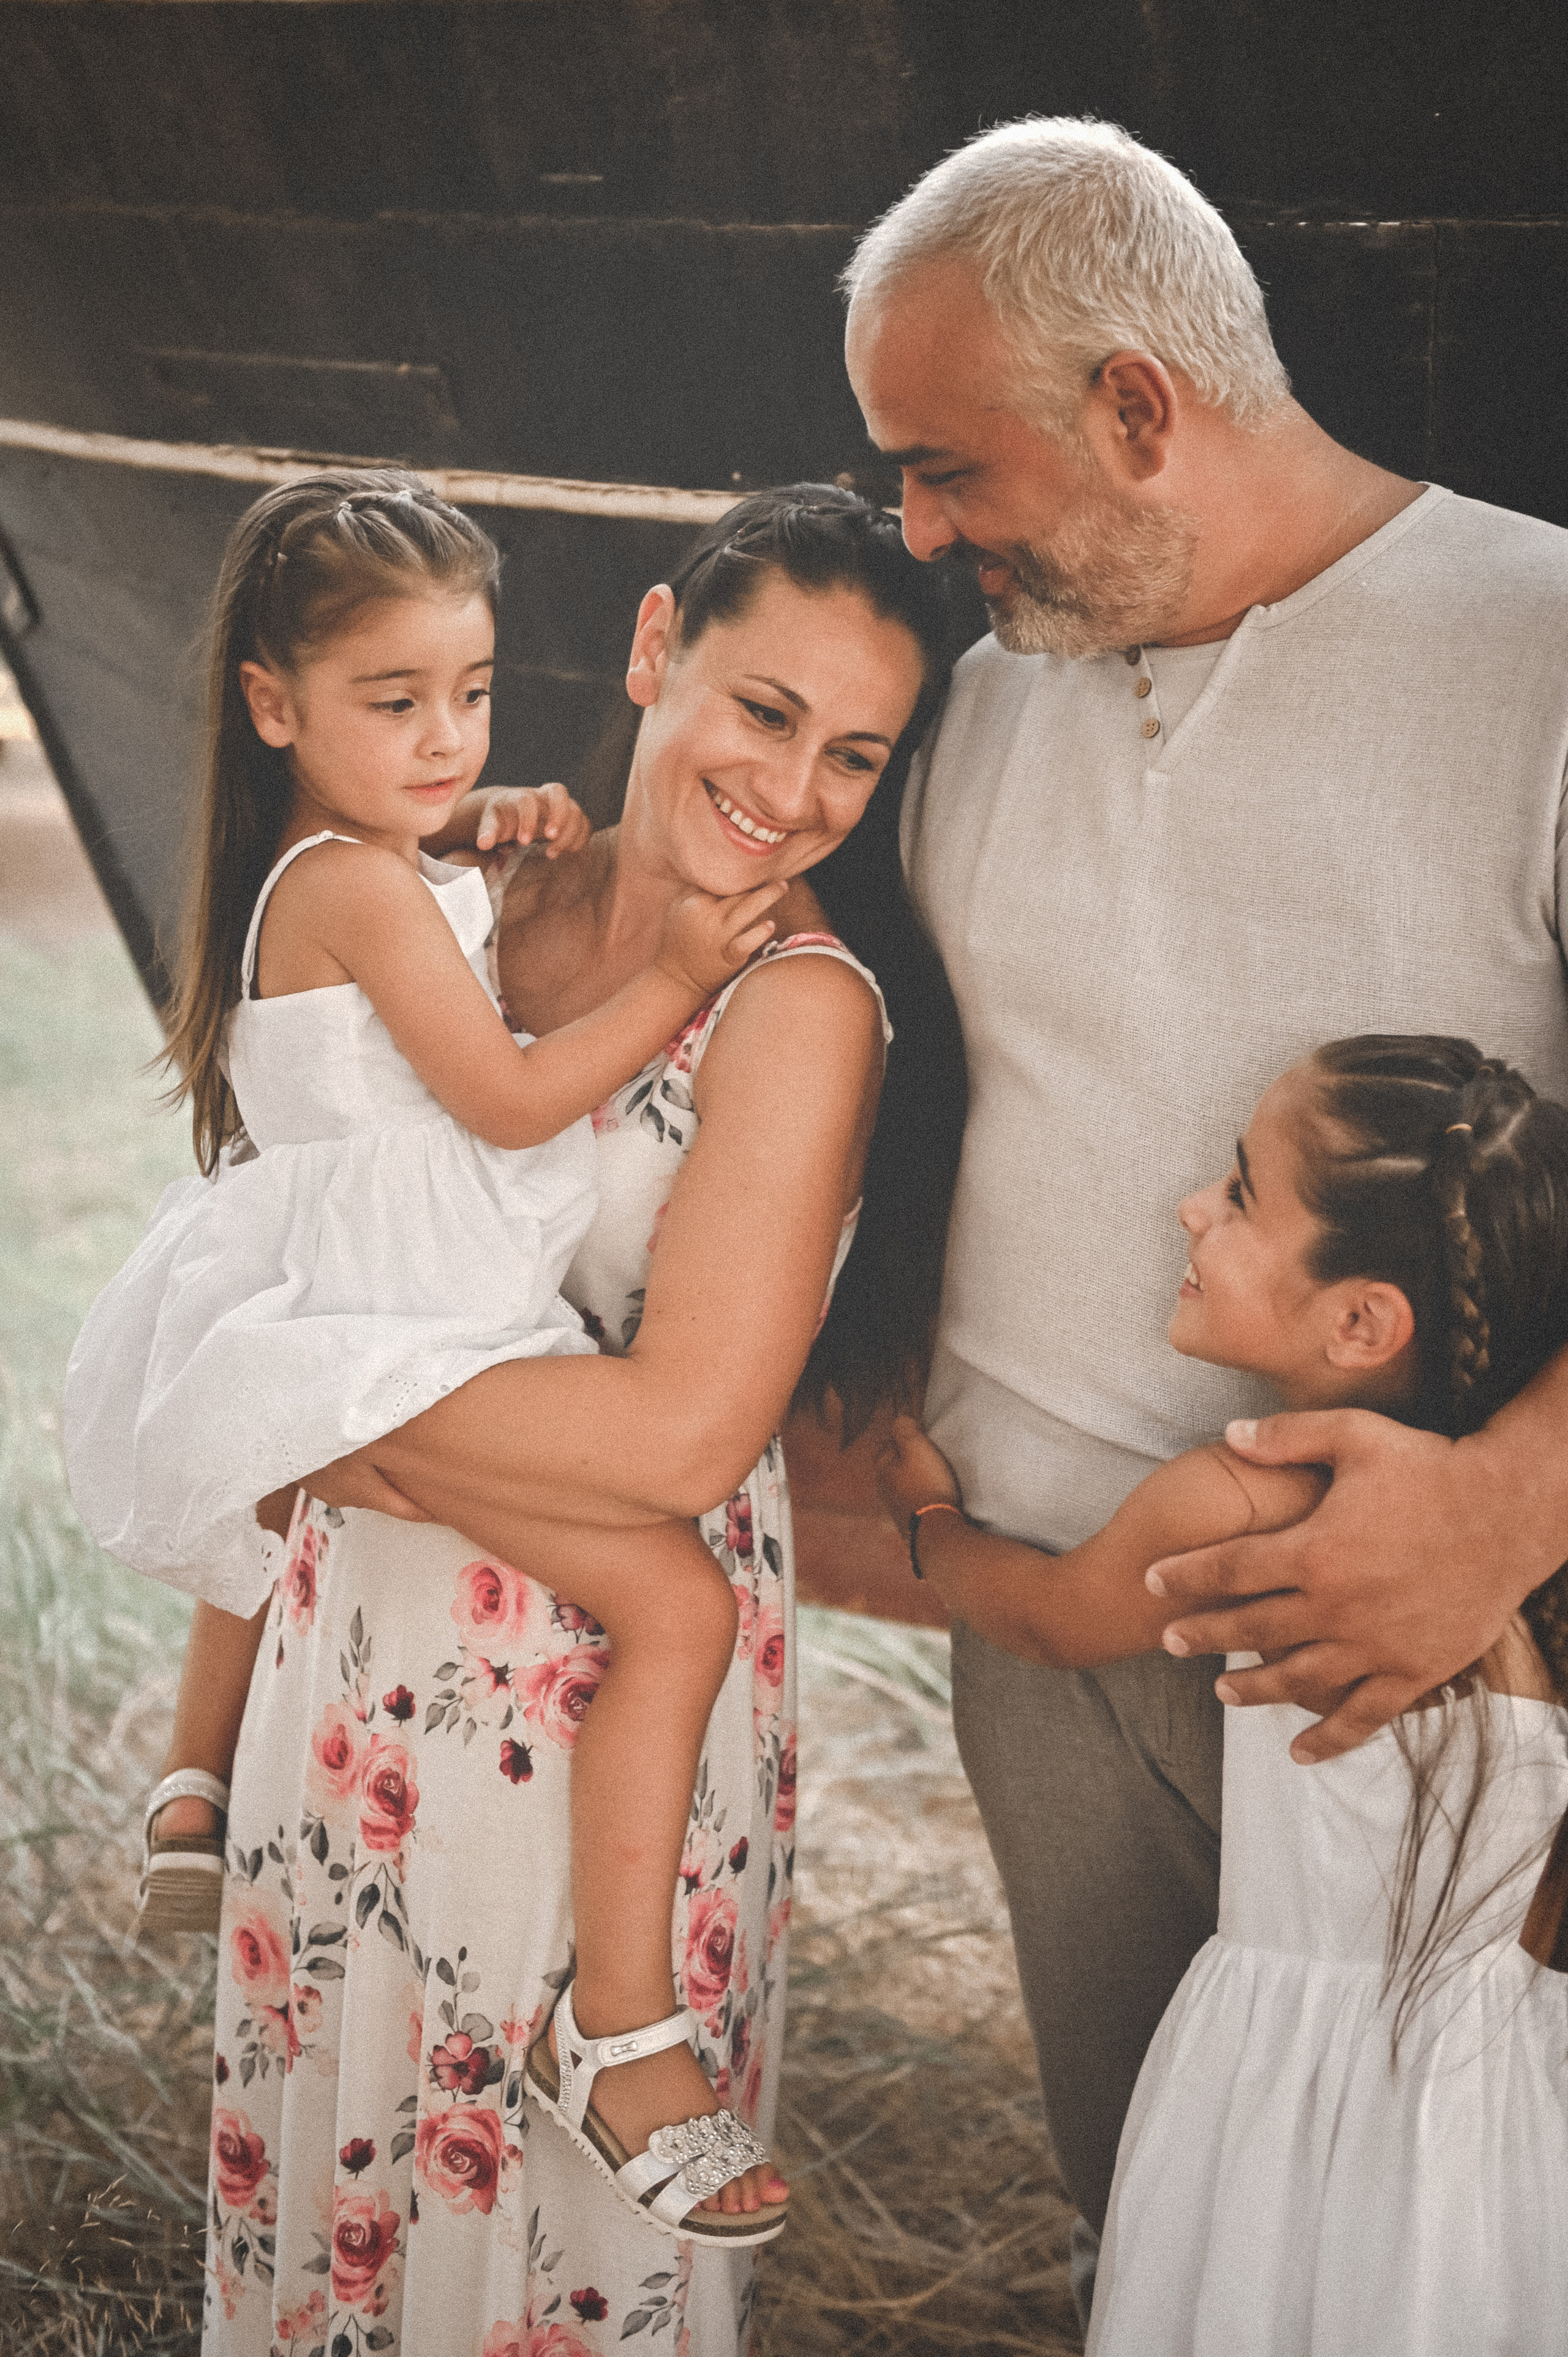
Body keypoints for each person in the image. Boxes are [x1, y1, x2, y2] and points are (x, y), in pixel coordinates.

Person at [840, 114, 1568, 2313]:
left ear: (1141, 410)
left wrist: (1508, 1509)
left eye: (950, 467)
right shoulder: (969, 702)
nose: (915, 525)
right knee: (1166, 2231)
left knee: (1455, 2253)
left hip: (1435, 1667)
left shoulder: (1545, 648)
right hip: (1059, 1669)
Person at [194, 484, 956, 2352]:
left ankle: (617, 2047)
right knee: (348, 2177)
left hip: (597, 1695)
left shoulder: (796, 1006)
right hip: (360, 1654)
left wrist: (322, 1415)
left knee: (532, 2269)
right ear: (646, 651)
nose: (794, 789)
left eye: (855, 753)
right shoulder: (462, 889)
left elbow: (686, 1443)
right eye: (763, 711)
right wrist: (291, 1385)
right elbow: (298, 1182)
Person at [62, 472, 803, 2244]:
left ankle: (195, 1785)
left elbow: (430, 938)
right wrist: (684, 971)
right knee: (684, 1606)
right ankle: (617, 2030)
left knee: (290, 1435)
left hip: (381, 1296)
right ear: (274, 705)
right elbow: (510, 1088)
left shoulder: (358, 865)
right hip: (426, 1318)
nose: (444, 736)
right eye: (395, 705)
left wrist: (489, 831)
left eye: (470, 694)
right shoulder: (354, 886)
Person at [877, 1034, 1568, 2355]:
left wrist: (920, 1516)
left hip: (1286, 2085)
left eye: (1240, 1191)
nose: (1191, 1205)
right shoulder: (1518, 1576)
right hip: (1484, 2120)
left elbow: (1049, 1616)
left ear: (1358, 1320)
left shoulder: (1246, 1496)